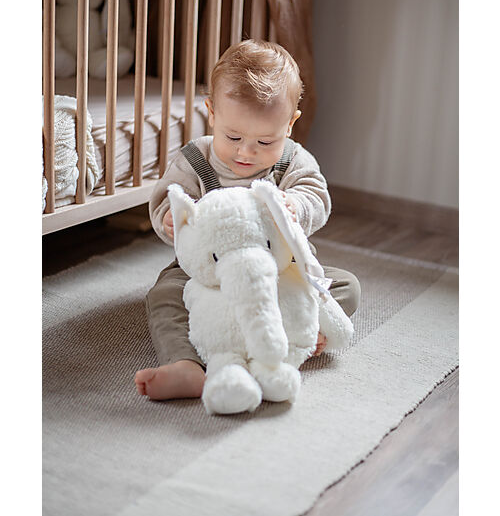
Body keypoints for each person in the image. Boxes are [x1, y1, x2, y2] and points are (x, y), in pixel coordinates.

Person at [135, 39, 361, 401]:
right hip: (206, 274)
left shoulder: (292, 161)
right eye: (233, 136)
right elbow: (167, 200)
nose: (246, 152)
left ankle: (293, 334)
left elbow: (317, 195)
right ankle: (185, 364)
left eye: (265, 142)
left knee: (346, 286)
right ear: (212, 113)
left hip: (282, 271)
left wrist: (295, 206)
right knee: (164, 295)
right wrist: (171, 221)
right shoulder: (195, 159)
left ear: (290, 124)